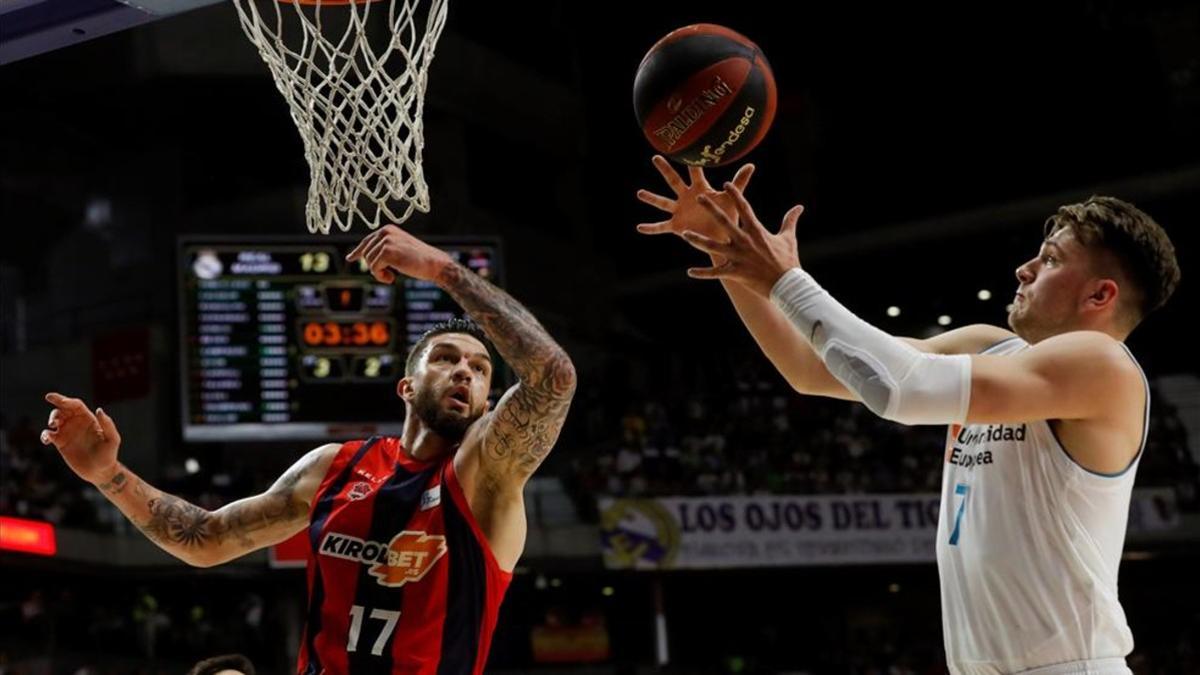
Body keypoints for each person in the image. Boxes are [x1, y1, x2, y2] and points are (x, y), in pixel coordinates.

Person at [636, 155, 1180, 675]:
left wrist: (786, 279)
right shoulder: (988, 349)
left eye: (1052, 260)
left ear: (1101, 294)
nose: (1025, 267)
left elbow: (899, 386)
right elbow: (813, 368)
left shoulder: (1103, 363)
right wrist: (733, 259)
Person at [40, 224, 577, 675]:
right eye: (445, 358)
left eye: (481, 369)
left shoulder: (487, 475)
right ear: (406, 387)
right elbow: (208, 539)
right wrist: (107, 474)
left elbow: (552, 376)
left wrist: (443, 270)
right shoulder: (336, 468)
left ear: (488, 404)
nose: (465, 369)